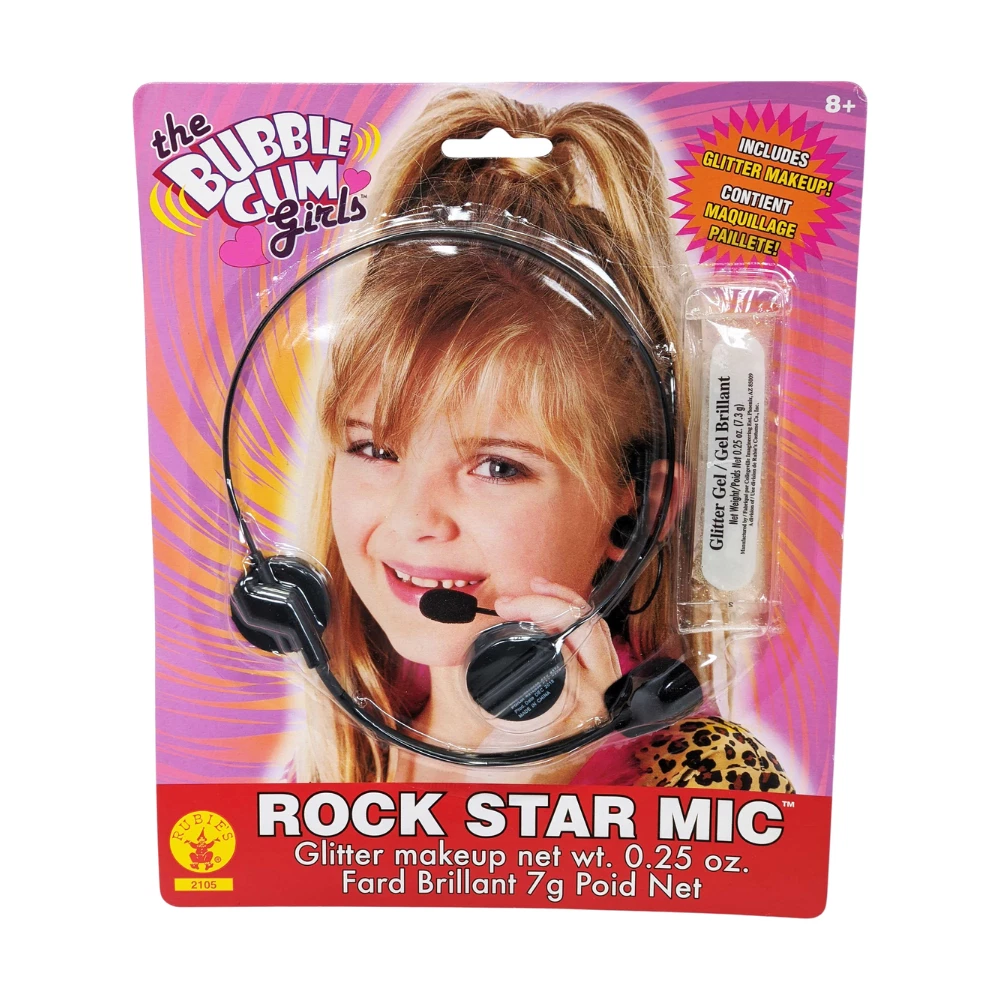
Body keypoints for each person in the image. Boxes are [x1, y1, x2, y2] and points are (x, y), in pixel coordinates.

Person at [289, 89, 794, 792]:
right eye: (376, 450)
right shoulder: (339, 761)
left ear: (639, 510)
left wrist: (533, 782)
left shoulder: (702, 779)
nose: (411, 519)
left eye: (497, 467)